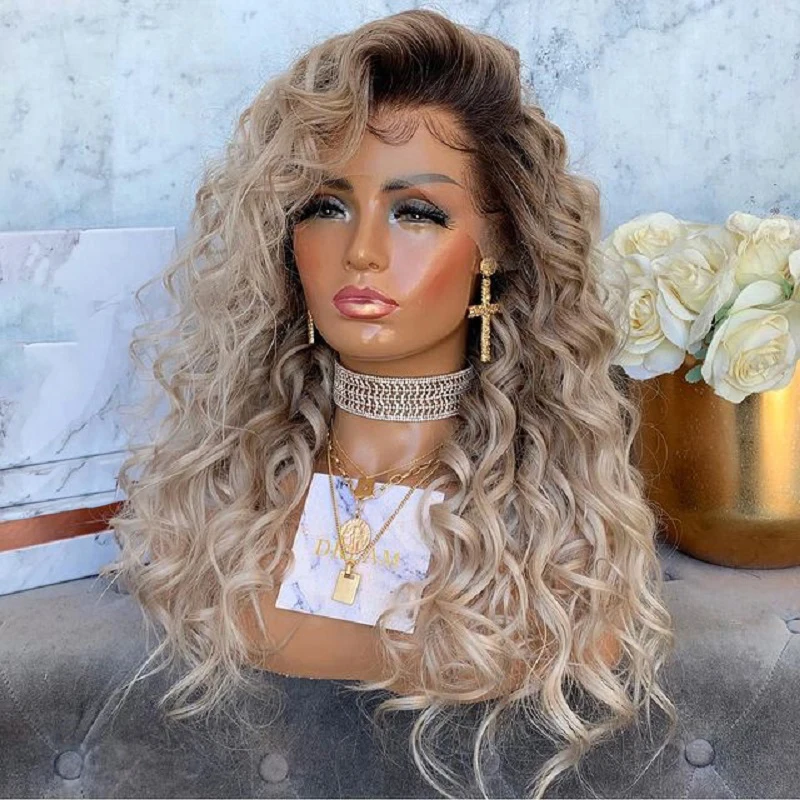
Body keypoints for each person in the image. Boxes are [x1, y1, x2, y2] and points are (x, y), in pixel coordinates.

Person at [103, 8, 677, 798]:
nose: (362, 251)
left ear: (498, 244)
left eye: (417, 212)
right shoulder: (227, 520)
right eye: (325, 207)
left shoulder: (557, 558)